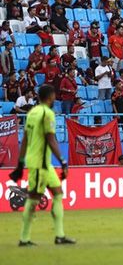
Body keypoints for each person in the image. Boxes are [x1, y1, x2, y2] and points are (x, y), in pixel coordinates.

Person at [9, 84, 76, 246]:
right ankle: (24, 238)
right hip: (39, 164)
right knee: (33, 199)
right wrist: (63, 160)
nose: (54, 99)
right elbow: (50, 139)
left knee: (58, 193)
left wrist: (20, 163)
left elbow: (24, 139)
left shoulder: (32, 113)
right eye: (54, 96)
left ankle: (59, 235)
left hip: (44, 164)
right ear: (50, 96)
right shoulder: (47, 114)